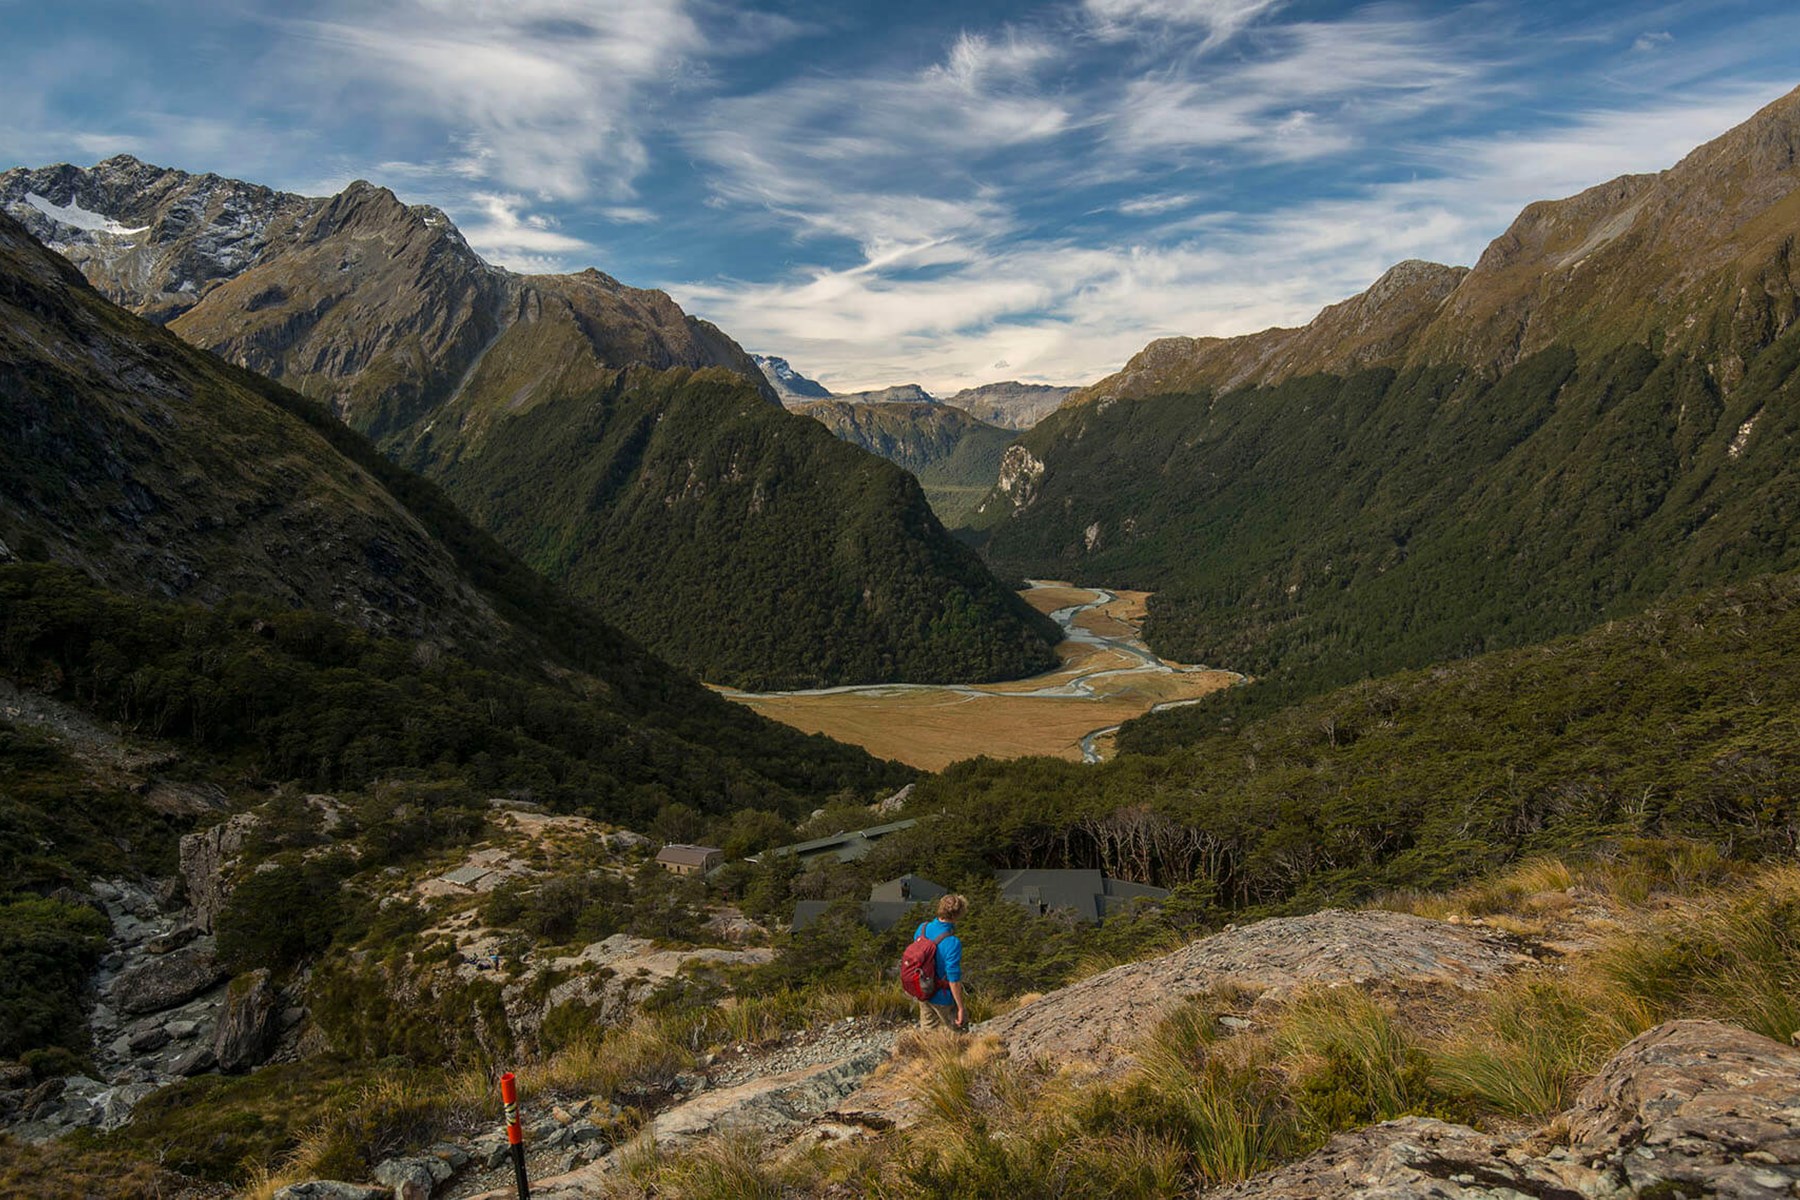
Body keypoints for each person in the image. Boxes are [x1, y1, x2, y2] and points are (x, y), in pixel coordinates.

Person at [913, 893, 967, 1031]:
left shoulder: (922, 928)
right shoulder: (952, 942)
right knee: (958, 1033)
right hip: (942, 996)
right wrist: (960, 1007)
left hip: (923, 990)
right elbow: (953, 979)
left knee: (928, 1034)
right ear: (956, 915)